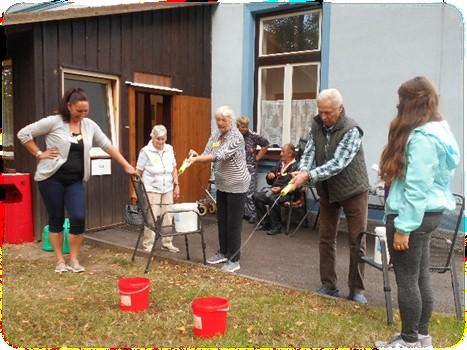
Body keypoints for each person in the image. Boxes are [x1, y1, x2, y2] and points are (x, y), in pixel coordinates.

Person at [375, 77, 460, 348]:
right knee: (421, 277)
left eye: (401, 101)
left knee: (408, 281)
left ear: (411, 104)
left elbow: (417, 187)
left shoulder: (423, 138)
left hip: (413, 216)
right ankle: (421, 337)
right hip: (429, 214)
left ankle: (410, 341)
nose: (397, 106)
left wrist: (404, 227)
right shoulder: (439, 131)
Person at [17, 87, 136, 273]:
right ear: (69, 106)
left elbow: (107, 145)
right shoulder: (54, 122)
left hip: (75, 181)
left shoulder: (89, 125)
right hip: (51, 179)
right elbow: (24, 134)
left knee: (78, 217)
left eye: (86, 110)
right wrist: (39, 153)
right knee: (56, 219)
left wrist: (126, 165)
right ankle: (59, 261)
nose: (83, 114)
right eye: (79, 110)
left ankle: (73, 259)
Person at [291, 88, 369, 304]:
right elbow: (308, 153)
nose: (324, 117)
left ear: (340, 109)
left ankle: (357, 290)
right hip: (328, 190)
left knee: (357, 241)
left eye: (328, 113)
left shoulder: (352, 130)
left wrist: (308, 175)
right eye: (321, 112)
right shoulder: (316, 125)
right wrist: (302, 170)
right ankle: (328, 284)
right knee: (326, 238)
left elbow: (338, 163)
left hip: (354, 190)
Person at [184, 106, 250, 273]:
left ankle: (234, 260)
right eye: (218, 120)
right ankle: (224, 252)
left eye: (223, 120)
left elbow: (219, 155)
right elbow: (207, 153)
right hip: (222, 183)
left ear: (230, 121)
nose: (220, 123)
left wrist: (198, 159)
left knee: (233, 223)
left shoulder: (236, 137)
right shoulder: (215, 135)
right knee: (222, 220)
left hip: (237, 184)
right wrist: (195, 154)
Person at [134, 125, 180, 253]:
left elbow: (174, 168)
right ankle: (148, 244)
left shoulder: (169, 149)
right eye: (158, 139)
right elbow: (138, 171)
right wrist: (135, 190)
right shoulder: (145, 151)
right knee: (151, 216)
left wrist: (177, 185)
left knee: (168, 215)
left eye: (163, 139)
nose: (160, 142)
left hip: (168, 187)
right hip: (151, 187)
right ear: (152, 137)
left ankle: (167, 242)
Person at [253, 143, 299, 235]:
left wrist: (281, 189)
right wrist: (269, 176)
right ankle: (265, 223)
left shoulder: (296, 167)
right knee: (256, 196)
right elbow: (270, 180)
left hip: (288, 193)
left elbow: (296, 185)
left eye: (283, 151)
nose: (281, 154)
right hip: (274, 191)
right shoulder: (280, 164)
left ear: (290, 153)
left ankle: (276, 226)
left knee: (272, 199)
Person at [236, 116, 269, 224]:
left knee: (250, 192)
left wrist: (258, 157)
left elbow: (265, 144)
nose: (244, 129)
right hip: (238, 167)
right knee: (241, 191)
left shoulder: (253, 135)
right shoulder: (235, 135)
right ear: (238, 126)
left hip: (250, 167)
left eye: (246, 127)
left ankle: (254, 215)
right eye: (242, 127)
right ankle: (244, 213)